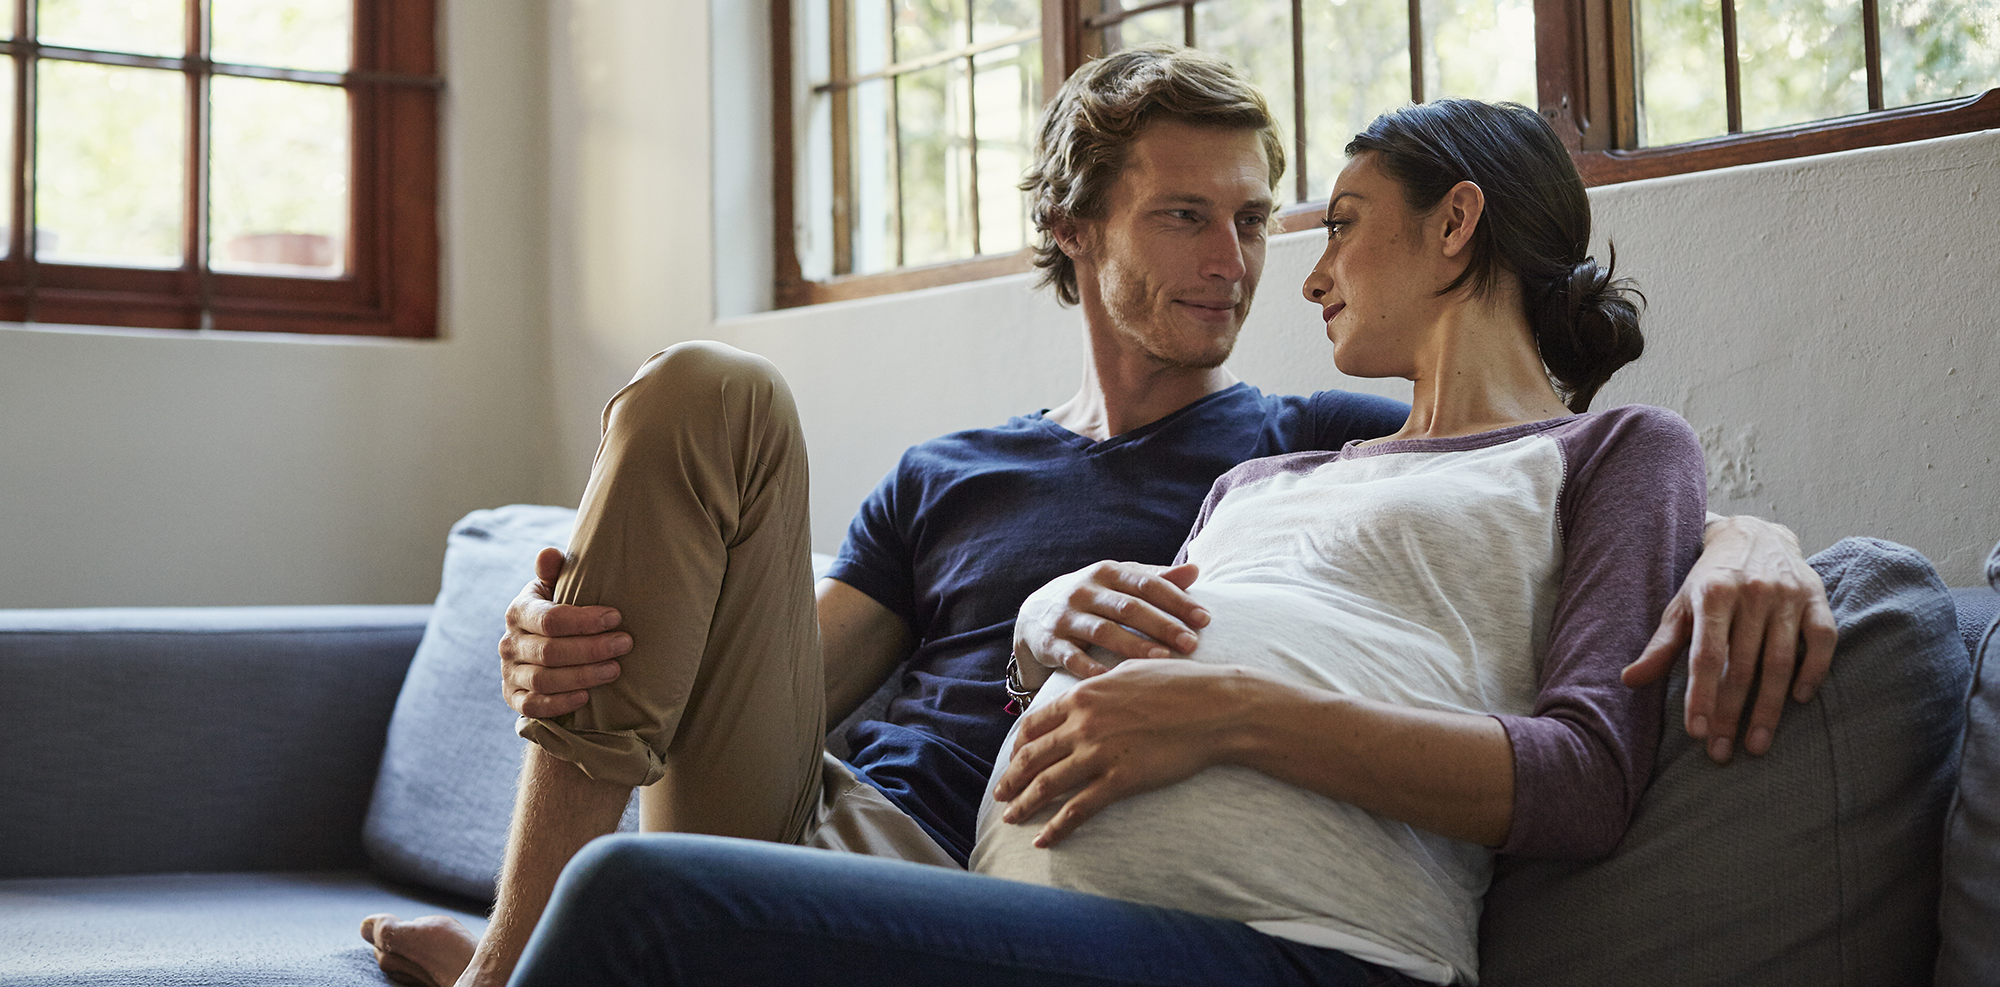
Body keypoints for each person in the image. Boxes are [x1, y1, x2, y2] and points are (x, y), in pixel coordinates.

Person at [362, 49, 1834, 987]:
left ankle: (533, 960)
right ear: (1077, 232)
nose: (1256, 262)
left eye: (1265, 218)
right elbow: (768, 697)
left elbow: (1545, 481)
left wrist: (1744, 538)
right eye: (1189, 215)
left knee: (647, 896)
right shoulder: (976, 474)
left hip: (998, 873)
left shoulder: (1295, 435)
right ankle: (521, 945)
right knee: (703, 390)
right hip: (820, 819)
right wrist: (585, 645)